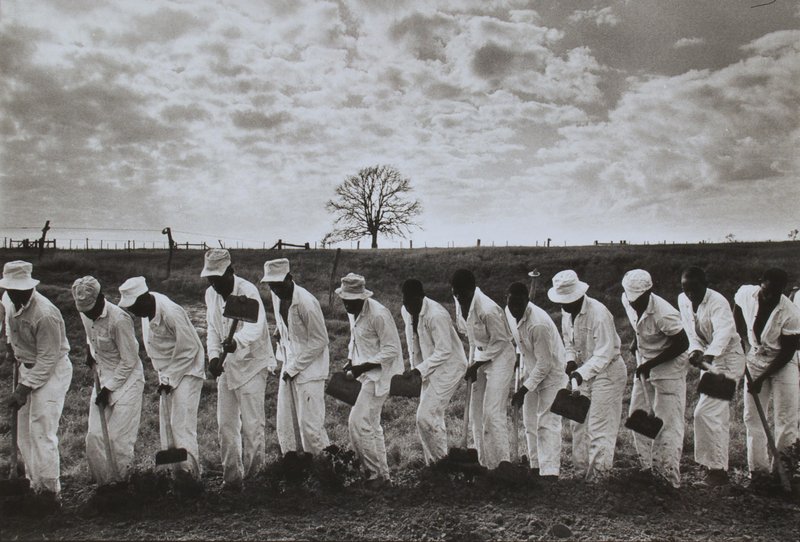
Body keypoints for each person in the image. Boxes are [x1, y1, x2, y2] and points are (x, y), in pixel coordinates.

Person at [118, 276, 204, 492]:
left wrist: (171, 378)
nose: (133, 313)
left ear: (144, 298)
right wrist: (164, 378)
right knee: (167, 424)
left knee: (182, 423)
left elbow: (189, 349)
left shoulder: (171, 312)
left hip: (187, 369)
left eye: (134, 307)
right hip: (167, 372)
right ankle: (174, 475)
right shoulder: (146, 309)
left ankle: (191, 479)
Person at [1, 261, 72, 507]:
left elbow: (47, 360)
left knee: (41, 430)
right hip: (26, 365)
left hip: (52, 371)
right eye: (9, 289)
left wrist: (22, 389)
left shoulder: (45, 314)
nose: (13, 293)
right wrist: (11, 345)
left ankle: (51, 493)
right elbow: (9, 324)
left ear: (29, 287)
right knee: (23, 433)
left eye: (17, 289)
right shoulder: (9, 299)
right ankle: (33, 484)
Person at [203, 249, 274, 491]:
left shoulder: (247, 291)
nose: (214, 285)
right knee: (226, 425)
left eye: (218, 279)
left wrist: (237, 341)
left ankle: (256, 480)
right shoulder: (210, 295)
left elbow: (256, 327)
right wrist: (213, 356)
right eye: (210, 280)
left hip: (252, 364)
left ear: (230, 272)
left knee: (253, 425)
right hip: (227, 366)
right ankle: (231, 479)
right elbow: (212, 328)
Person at [548, 270, 626, 482]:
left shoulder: (599, 314)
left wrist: (580, 373)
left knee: (599, 426)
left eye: (567, 301)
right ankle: (580, 476)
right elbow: (569, 343)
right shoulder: (566, 314)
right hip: (582, 373)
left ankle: (598, 480)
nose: (563, 306)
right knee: (578, 425)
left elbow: (604, 353)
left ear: (579, 295)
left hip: (607, 372)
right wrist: (571, 360)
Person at [72, 276, 145, 489]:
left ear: (102, 298)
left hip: (128, 380)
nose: (87, 314)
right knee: (94, 437)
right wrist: (89, 350)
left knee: (117, 440)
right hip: (103, 376)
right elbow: (90, 334)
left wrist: (110, 388)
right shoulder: (86, 311)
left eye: (91, 309)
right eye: (83, 310)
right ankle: (104, 486)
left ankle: (121, 485)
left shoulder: (119, 320)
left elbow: (130, 360)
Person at [620, 269, 689, 488]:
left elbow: (682, 344)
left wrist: (650, 364)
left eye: (638, 300)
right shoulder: (627, 299)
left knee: (667, 423)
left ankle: (668, 479)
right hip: (646, 362)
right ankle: (647, 471)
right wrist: (635, 342)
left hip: (669, 368)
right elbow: (637, 326)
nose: (633, 304)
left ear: (649, 292)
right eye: (631, 299)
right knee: (638, 416)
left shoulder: (665, 313)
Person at [678, 266, 745, 487]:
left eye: (694, 289)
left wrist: (707, 354)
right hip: (710, 361)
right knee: (707, 414)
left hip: (728, 360)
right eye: (686, 289)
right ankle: (712, 468)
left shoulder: (718, 302)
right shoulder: (683, 300)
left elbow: (724, 333)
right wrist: (695, 350)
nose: (690, 294)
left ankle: (717, 471)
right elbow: (690, 331)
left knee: (708, 413)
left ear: (704, 284)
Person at [733, 268, 800, 485]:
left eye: (775, 293)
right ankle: (758, 473)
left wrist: (761, 378)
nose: (769, 296)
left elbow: (788, 351)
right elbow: (737, 309)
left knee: (786, 418)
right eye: (766, 291)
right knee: (752, 417)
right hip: (754, 357)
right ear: (760, 282)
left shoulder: (790, 312)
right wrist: (739, 340)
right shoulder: (746, 293)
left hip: (782, 362)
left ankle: (782, 473)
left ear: (783, 291)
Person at [337, 273, 403, 487]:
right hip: (363, 374)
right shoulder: (353, 311)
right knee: (372, 426)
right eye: (344, 300)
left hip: (379, 376)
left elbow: (391, 349)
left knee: (358, 422)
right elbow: (355, 339)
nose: (347, 305)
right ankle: (383, 476)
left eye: (351, 301)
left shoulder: (379, 314)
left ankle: (373, 475)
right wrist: (350, 360)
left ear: (362, 297)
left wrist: (363, 366)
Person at [261, 258, 330, 456]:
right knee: (287, 420)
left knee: (310, 425)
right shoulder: (277, 296)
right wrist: (280, 330)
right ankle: (298, 464)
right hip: (291, 362)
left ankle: (324, 466)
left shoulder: (306, 303)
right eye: (271, 286)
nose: (275, 290)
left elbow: (320, 340)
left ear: (289, 278)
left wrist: (293, 368)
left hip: (310, 369)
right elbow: (288, 324)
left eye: (278, 284)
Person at [450, 269, 516, 470]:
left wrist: (477, 364)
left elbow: (501, 342)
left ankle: (502, 463)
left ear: (472, 289)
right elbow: (466, 332)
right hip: (479, 354)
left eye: (463, 295)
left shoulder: (488, 309)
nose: (460, 299)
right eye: (456, 295)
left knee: (492, 412)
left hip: (500, 357)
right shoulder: (460, 301)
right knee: (475, 413)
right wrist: (475, 360)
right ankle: (483, 464)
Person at [400, 279, 467, 465]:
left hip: (450, 367)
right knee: (431, 416)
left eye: (413, 302)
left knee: (425, 416)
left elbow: (444, 351)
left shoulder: (436, 315)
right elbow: (412, 342)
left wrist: (419, 370)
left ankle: (441, 464)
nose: (409, 307)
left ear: (422, 297)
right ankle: (435, 464)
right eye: (405, 302)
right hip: (428, 367)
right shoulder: (406, 310)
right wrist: (415, 371)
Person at [506, 282, 567, 479]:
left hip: (552, 374)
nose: (514, 310)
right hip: (532, 370)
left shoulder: (538, 324)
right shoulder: (509, 313)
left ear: (527, 301)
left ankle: (550, 473)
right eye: (511, 304)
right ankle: (535, 467)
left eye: (518, 305)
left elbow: (545, 364)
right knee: (530, 422)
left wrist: (523, 390)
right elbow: (519, 342)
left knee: (547, 422)